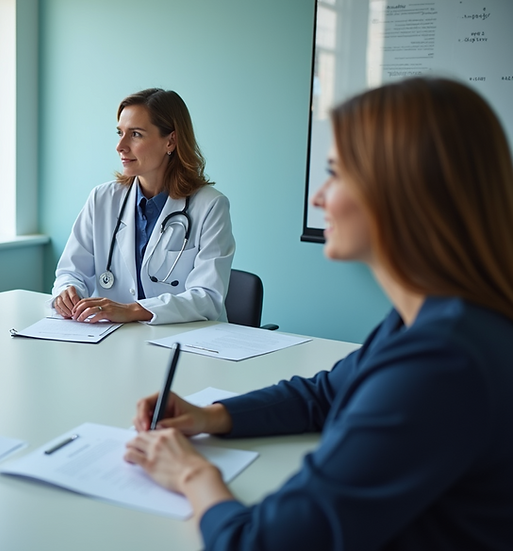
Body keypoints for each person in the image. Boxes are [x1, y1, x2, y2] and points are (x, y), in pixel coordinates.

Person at [125, 77, 513, 550]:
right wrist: (207, 417)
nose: (318, 197)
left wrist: (190, 472)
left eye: (336, 173)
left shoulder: (441, 362)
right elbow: (324, 395)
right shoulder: (437, 316)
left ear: (406, 191)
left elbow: (257, 543)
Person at [52, 88, 235, 324]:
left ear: (171, 140)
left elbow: (207, 297)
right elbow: (71, 271)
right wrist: (67, 291)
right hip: (117, 341)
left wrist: (135, 310)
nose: (120, 146)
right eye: (120, 133)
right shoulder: (102, 199)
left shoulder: (210, 206)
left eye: (136, 134)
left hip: (187, 342)